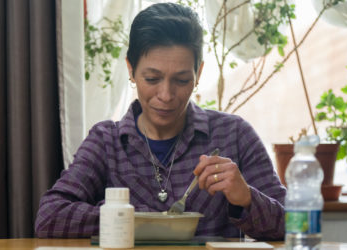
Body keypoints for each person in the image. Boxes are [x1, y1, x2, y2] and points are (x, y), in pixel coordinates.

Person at [35, 2, 286, 240]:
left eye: (181, 80)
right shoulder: (106, 141)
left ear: (198, 74)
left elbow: (293, 223)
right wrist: (129, 217)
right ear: (131, 70)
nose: (166, 96)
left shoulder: (234, 135)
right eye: (152, 79)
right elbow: (49, 217)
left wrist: (246, 198)